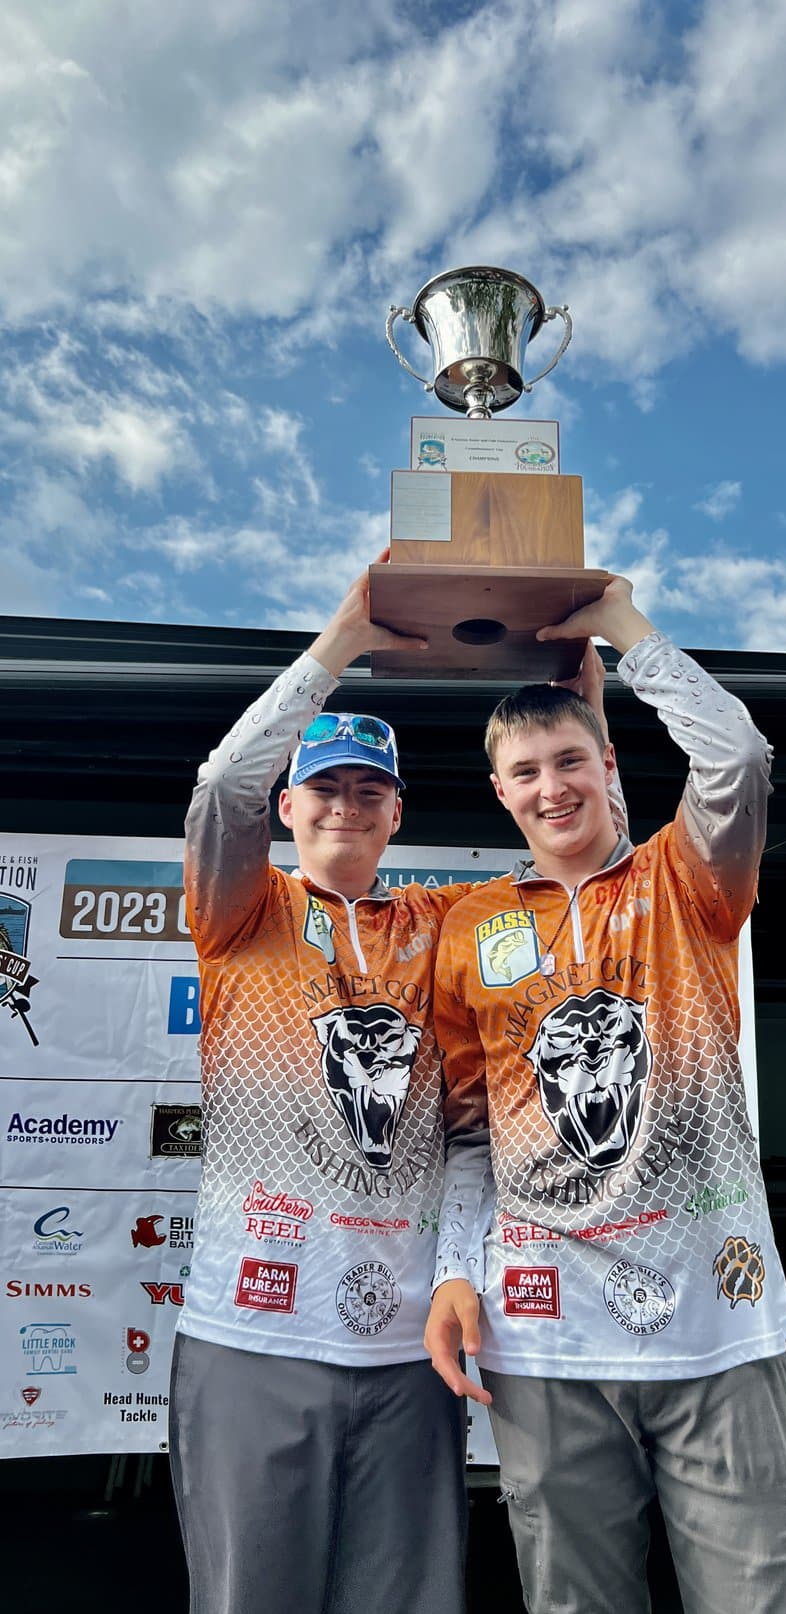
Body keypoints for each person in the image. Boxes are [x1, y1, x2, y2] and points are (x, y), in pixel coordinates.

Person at [169, 554, 621, 1614]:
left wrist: (582, 686)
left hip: (406, 1339)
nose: (344, 807)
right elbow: (219, 786)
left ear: (395, 811)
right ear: (289, 805)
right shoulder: (241, 910)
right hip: (252, 1329)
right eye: (324, 788)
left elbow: (588, 856)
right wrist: (338, 647)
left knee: (410, 1599)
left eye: (367, 791)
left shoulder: (443, 923)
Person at [425, 574, 786, 1614]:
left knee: (764, 1598)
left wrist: (621, 628)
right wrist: (452, 1271)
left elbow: (735, 755)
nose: (551, 786)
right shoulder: (469, 926)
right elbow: (466, 1133)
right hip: (543, 1332)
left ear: (608, 766)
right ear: (501, 794)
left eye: (570, 761)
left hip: (717, 1320)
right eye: (526, 772)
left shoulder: (684, 882)